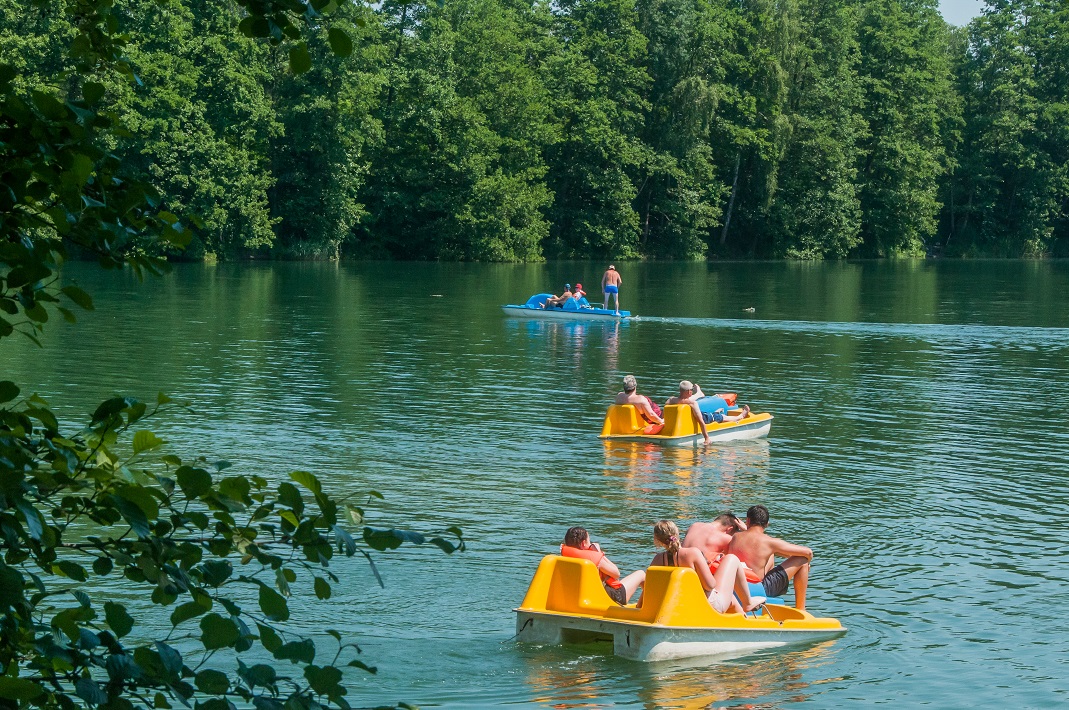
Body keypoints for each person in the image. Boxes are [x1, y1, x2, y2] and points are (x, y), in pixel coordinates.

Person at [651, 520, 764, 614]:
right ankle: (748, 604)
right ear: (677, 533)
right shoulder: (693, 553)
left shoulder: (657, 560)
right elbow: (710, 585)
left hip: (679, 604)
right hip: (707, 605)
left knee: (732, 600)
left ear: (657, 541)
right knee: (731, 559)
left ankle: (742, 620)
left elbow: (653, 588)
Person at [727, 505, 813, 610]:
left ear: (748, 521)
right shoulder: (769, 542)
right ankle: (801, 609)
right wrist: (806, 565)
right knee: (802, 561)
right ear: (767, 524)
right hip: (759, 589)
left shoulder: (735, 537)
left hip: (735, 586)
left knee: (771, 553)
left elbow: (752, 539)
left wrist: (746, 529)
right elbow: (808, 552)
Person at [561, 526, 645, 605]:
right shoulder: (594, 558)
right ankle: (642, 610)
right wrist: (599, 553)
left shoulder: (565, 558)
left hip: (581, 598)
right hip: (612, 597)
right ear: (583, 543)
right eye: (589, 541)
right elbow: (616, 574)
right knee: (641, 574)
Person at [666, 381, 750, 425]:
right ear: (689, 391)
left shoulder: (671, 400)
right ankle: (740, 416)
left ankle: (699, 394)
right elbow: (701, 421)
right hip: (703, 418)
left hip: (694, 416)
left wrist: (661, 421)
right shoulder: (692, 403)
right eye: (691, 390)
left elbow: (664, 414)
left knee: (711, 414)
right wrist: (707, 438)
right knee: (721, 416)